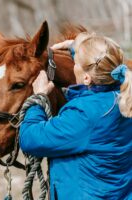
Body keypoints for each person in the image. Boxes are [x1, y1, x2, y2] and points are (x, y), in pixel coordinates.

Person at [19, 33, 132, 200]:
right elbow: (102, 63)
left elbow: (30, 138)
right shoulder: (124, 98)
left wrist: (38, 98)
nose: (73, 66)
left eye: (76, 63)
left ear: (86, 77)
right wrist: (77, 49)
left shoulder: (84, 114)